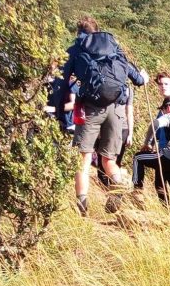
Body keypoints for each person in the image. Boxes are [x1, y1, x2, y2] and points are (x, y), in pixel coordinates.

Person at [61, 16, 147, 215]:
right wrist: (144, 77)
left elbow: (62, 79)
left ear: (79, 33)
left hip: (90, 108)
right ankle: (119, 186)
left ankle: (82, 210)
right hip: (117, 109)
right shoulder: (114, 47)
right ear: (97, 31)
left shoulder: (77, 48)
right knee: (108, 159)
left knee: (82, 160)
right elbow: (138, 80)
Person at [133, 96, 170, 217]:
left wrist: (147, 144)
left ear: (168, 108)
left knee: (138, 158)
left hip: (168, 157)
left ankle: (137, 192)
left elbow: (155, 123)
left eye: (163, 110)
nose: (162, 112)